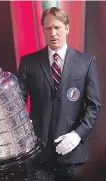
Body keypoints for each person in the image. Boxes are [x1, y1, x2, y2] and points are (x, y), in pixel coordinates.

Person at [17, 7, 101, 181]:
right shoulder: (28, 62)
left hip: (74, 155)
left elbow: (93, 107)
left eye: (57, 27)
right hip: (39, 155)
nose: (53, 33)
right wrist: (24, 128)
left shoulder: (86, 62)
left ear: (67, 28)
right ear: (43, 31)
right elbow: (18, 104)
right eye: (48, 28)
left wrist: (77, 134)